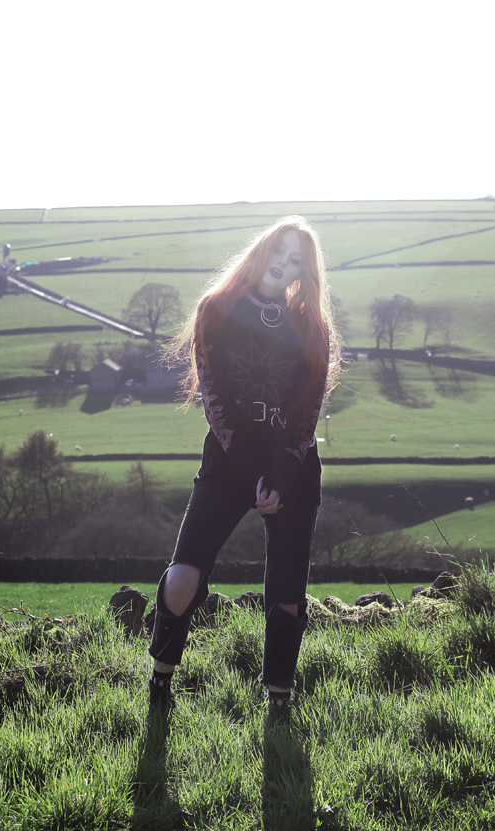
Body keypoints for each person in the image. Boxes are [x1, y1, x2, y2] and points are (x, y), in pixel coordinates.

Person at [148, 216, 341, 720]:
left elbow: (306, 416)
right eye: (280, 249)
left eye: (296, 258)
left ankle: (279, 701)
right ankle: (159, 682)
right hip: (231, 461)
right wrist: (255, 473)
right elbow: (215, 403)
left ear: (305, 271)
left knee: (287, 597)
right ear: (262, 250)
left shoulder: (310, 325)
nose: (284, 262)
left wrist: (277, 477)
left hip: (292, 467)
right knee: (182, 578)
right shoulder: (216, 311)